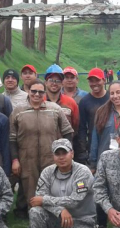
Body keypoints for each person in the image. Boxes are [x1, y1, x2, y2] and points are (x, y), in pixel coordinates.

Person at [25, 139, 96, 228]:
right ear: (53, 156)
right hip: (59, 220)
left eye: (65, 153)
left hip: (81, 221)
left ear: (72, 154)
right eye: (58, 154)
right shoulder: (47, 172)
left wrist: (46, 200)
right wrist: (60, 210)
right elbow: (37, 201)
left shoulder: (83, 172)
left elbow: (75, 200)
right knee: (35, 212)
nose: (61, 157)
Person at [10, 79, 74, 217]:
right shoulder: (19, 111)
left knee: (51, 187)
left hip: (50, 157)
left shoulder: (55, 109)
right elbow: (12, 138)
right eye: (34, 91)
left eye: (40, 91)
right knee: (30, 188)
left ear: (45, 93)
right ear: (28, 91)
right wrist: (15, 159)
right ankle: (33, 217)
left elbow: (68, 131)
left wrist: (67, 153)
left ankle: (52, 215)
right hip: (27, 158)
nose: (37, 94)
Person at [76, 68, 109, 164]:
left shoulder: (111, 98)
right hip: (92, 145)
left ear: (103, 80)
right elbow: (82, 127)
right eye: (91, 81)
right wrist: (83, 151)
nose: (94, 84)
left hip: (111, 142)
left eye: (97, 80)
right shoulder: (84, 101)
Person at [45, 64, 80, 133]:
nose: (54, 83)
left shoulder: (71, 102)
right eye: (51, 80)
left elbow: (75, 126)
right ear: (46, 83)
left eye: (58, 81)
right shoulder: (39, 101)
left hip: (65, 142)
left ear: (62, 83)